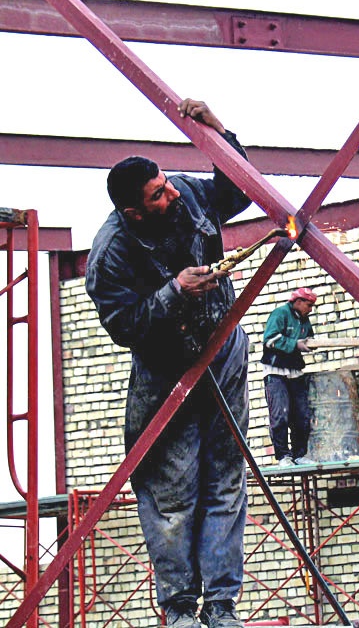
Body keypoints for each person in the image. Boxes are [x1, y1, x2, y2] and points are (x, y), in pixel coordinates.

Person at [85, 99, 251, 628]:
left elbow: (239, 187)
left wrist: (217, 130)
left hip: (222, 350)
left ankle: (221, 608)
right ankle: (180, 610)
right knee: (173, 493)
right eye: (158, 193)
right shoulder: (110, 253)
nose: (172, 191)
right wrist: (174, 292)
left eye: (166, 182)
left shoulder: (189, 194)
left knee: (226, 479)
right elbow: (124, 325)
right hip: (167, 374)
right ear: (133, 211)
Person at [261, 287, 318, 467]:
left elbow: (308, 337)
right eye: (309, 305)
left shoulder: (304, 319)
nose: (310, 309)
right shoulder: (280, 314)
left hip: (294, 372)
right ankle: (283, 456)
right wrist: (296, 344)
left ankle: (299, 454)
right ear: (298, 302)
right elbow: (270, 340)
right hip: (276, 371)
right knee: (280, 415)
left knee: (301, 415)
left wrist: (310, 344)